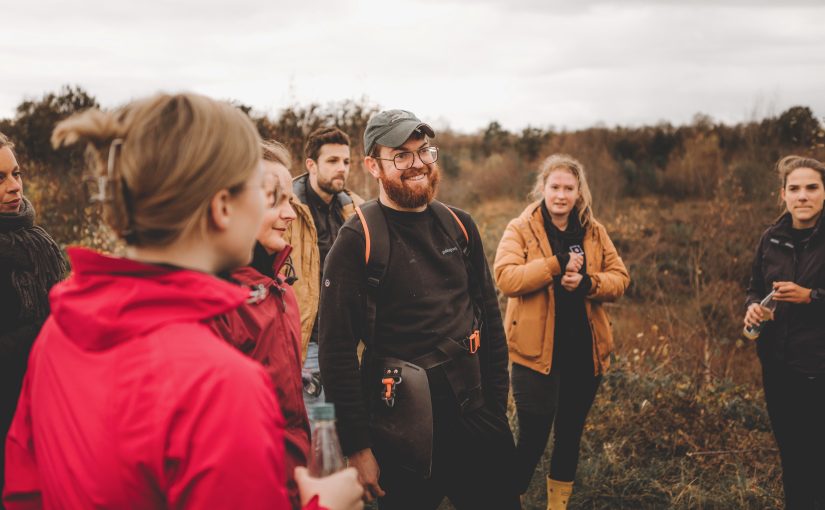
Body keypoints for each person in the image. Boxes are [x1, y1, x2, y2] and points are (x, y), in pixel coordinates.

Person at [3, 93, 362, 510]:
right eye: (256, 190)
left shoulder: (59, 334)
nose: (284, 209)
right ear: (222, 206)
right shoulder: (221, 383)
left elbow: (25, 493)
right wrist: (325, 505)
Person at [319, 110, 519, 509]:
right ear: (373, 166)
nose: (418, 164)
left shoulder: (460, 226)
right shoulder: (357, 240)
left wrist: (496, 407)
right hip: (399, 427)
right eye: (401, 155)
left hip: (476, 414)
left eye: (424, 151)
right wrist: (358, 447)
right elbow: (336, 350)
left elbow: (490, 320)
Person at [494, 154, 629, 510]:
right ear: (542, 188)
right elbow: (506, 278)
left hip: (583, 354)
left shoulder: (593, 231)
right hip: (534, 356)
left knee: (569, 436)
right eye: (555, 187)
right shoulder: (520, 228)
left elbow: (620, 279)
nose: (561, 195)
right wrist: (554, 265)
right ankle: (508, 499)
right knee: (534, 437)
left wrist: (587, 283)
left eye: (569, 188)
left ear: (579, 192)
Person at [211, 140, 309, 509]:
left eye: (291, 201)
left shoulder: (281, 291)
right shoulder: (217, 302)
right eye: (276, 201)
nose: (290, 214)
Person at [744, 155, 825, 510]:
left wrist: (811, 297)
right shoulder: (771, 238)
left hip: (819, 368)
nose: (803, 196)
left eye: (812, 187)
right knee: (792, 456)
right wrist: (753, 308)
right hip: (778, 368)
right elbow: (753, 286)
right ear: (783, 195)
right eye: (794, 188)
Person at [0, 132, 69, 498]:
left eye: (16, 173)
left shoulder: (37, 241)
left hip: (47, 416)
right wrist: (49, 329)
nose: (14, 187)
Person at [286, 127, 363, 407]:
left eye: (346, 162)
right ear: (311, 165)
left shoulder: (356, 209)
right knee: (315, 433)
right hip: (308, 342)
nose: (341, 169)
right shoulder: (287, 208)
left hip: (348, 343)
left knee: (348, 433)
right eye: (332, 161)